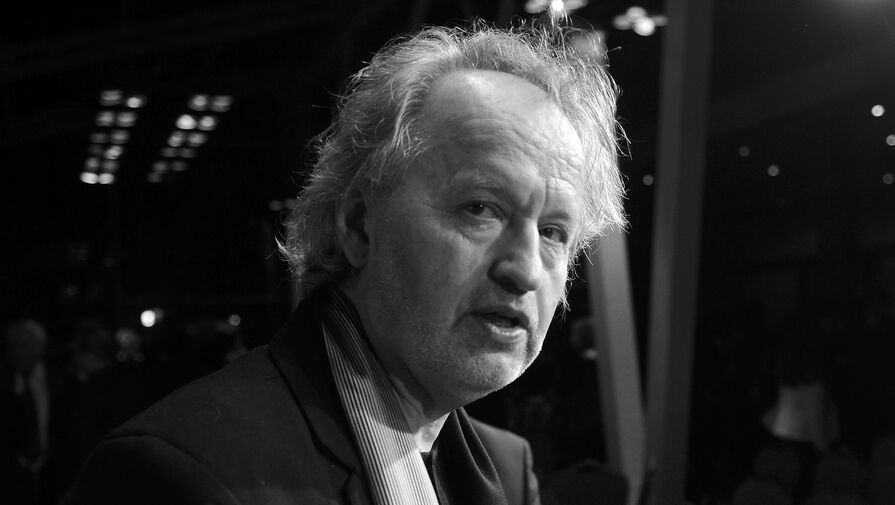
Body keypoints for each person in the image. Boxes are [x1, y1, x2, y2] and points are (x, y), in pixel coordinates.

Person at [62, 20, 626, 505]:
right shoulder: (178, 473)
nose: (525, 270)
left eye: (553, 232)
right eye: (480, 208)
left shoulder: (506, 466)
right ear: (358, 225)